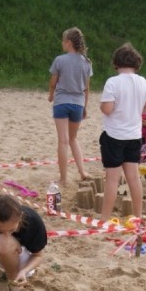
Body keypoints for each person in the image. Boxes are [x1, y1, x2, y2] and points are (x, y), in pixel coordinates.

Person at [99, 43, 146, 221]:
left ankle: (105, 219)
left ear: (116, 63)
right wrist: (134, 107)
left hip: (114, 135)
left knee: (112, 180)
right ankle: (138, 215)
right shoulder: (144, 82)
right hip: (134, 136)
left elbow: (107, 109)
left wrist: (111, 106)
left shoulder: (113, 82)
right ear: (136, 64)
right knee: (133, 178)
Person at [48, 27, 93, 186]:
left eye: (63, 41)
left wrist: (51, 94)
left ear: (68, 43)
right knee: (73, 139)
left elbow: (53, 81)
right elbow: (87, 88)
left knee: (63, 141)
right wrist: (85, 107)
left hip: (62, 102)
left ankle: (63, 178)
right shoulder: (86, 62)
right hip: (78, 103)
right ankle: (82, 172)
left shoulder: (60, 60)